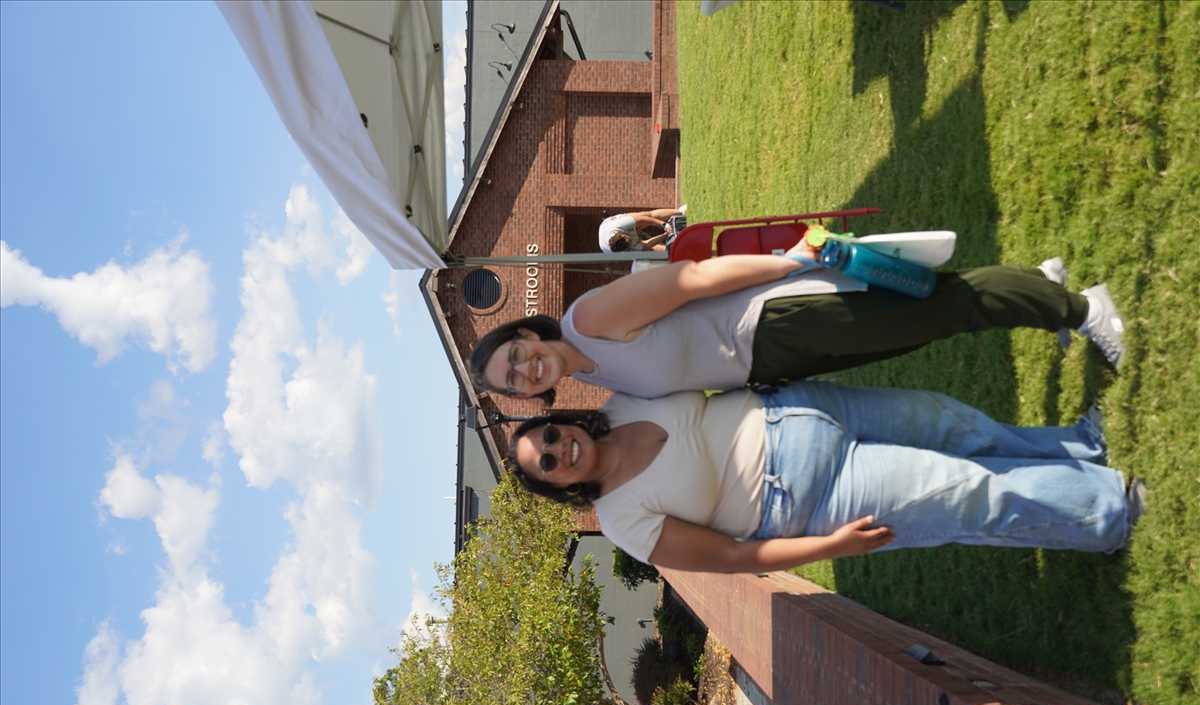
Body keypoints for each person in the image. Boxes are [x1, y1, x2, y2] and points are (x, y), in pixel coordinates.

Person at [508, 381, 1144, 572]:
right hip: (813, 496)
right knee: (965, 492)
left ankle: (1080, 446)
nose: (561, 450)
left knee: (954, 424)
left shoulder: (623, 402)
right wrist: (830, 548)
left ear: (561, 421)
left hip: (800, 409)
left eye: (551, 436)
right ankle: (1110, 512)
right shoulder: (623, 520)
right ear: (558, 487)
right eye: (548, 464)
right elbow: (732, 557)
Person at [468, 245, 1128, 405]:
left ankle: (1083, 308)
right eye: (514, 382)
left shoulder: (587, 321)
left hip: (776, 320)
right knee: (922, 324)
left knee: (940, 307)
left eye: (514, 358)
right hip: (775, 360)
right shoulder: (599, 381)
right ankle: (1040, 284)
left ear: (525, 335)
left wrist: (787, 263)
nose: (525, 371)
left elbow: (693, 278)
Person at [598, 208, 683, 253]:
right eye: (630, 243)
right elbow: (647, 245)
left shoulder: (618, 226)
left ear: (623, 234)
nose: (631, 240)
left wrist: (664, 225)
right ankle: (676, 251)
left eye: (629, 239)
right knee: (651, 249)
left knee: (646, 215)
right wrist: (665, 235)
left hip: (607, 225)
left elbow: (643, 219)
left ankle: (680, 211)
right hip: (609, 247)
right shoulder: (627, 250)